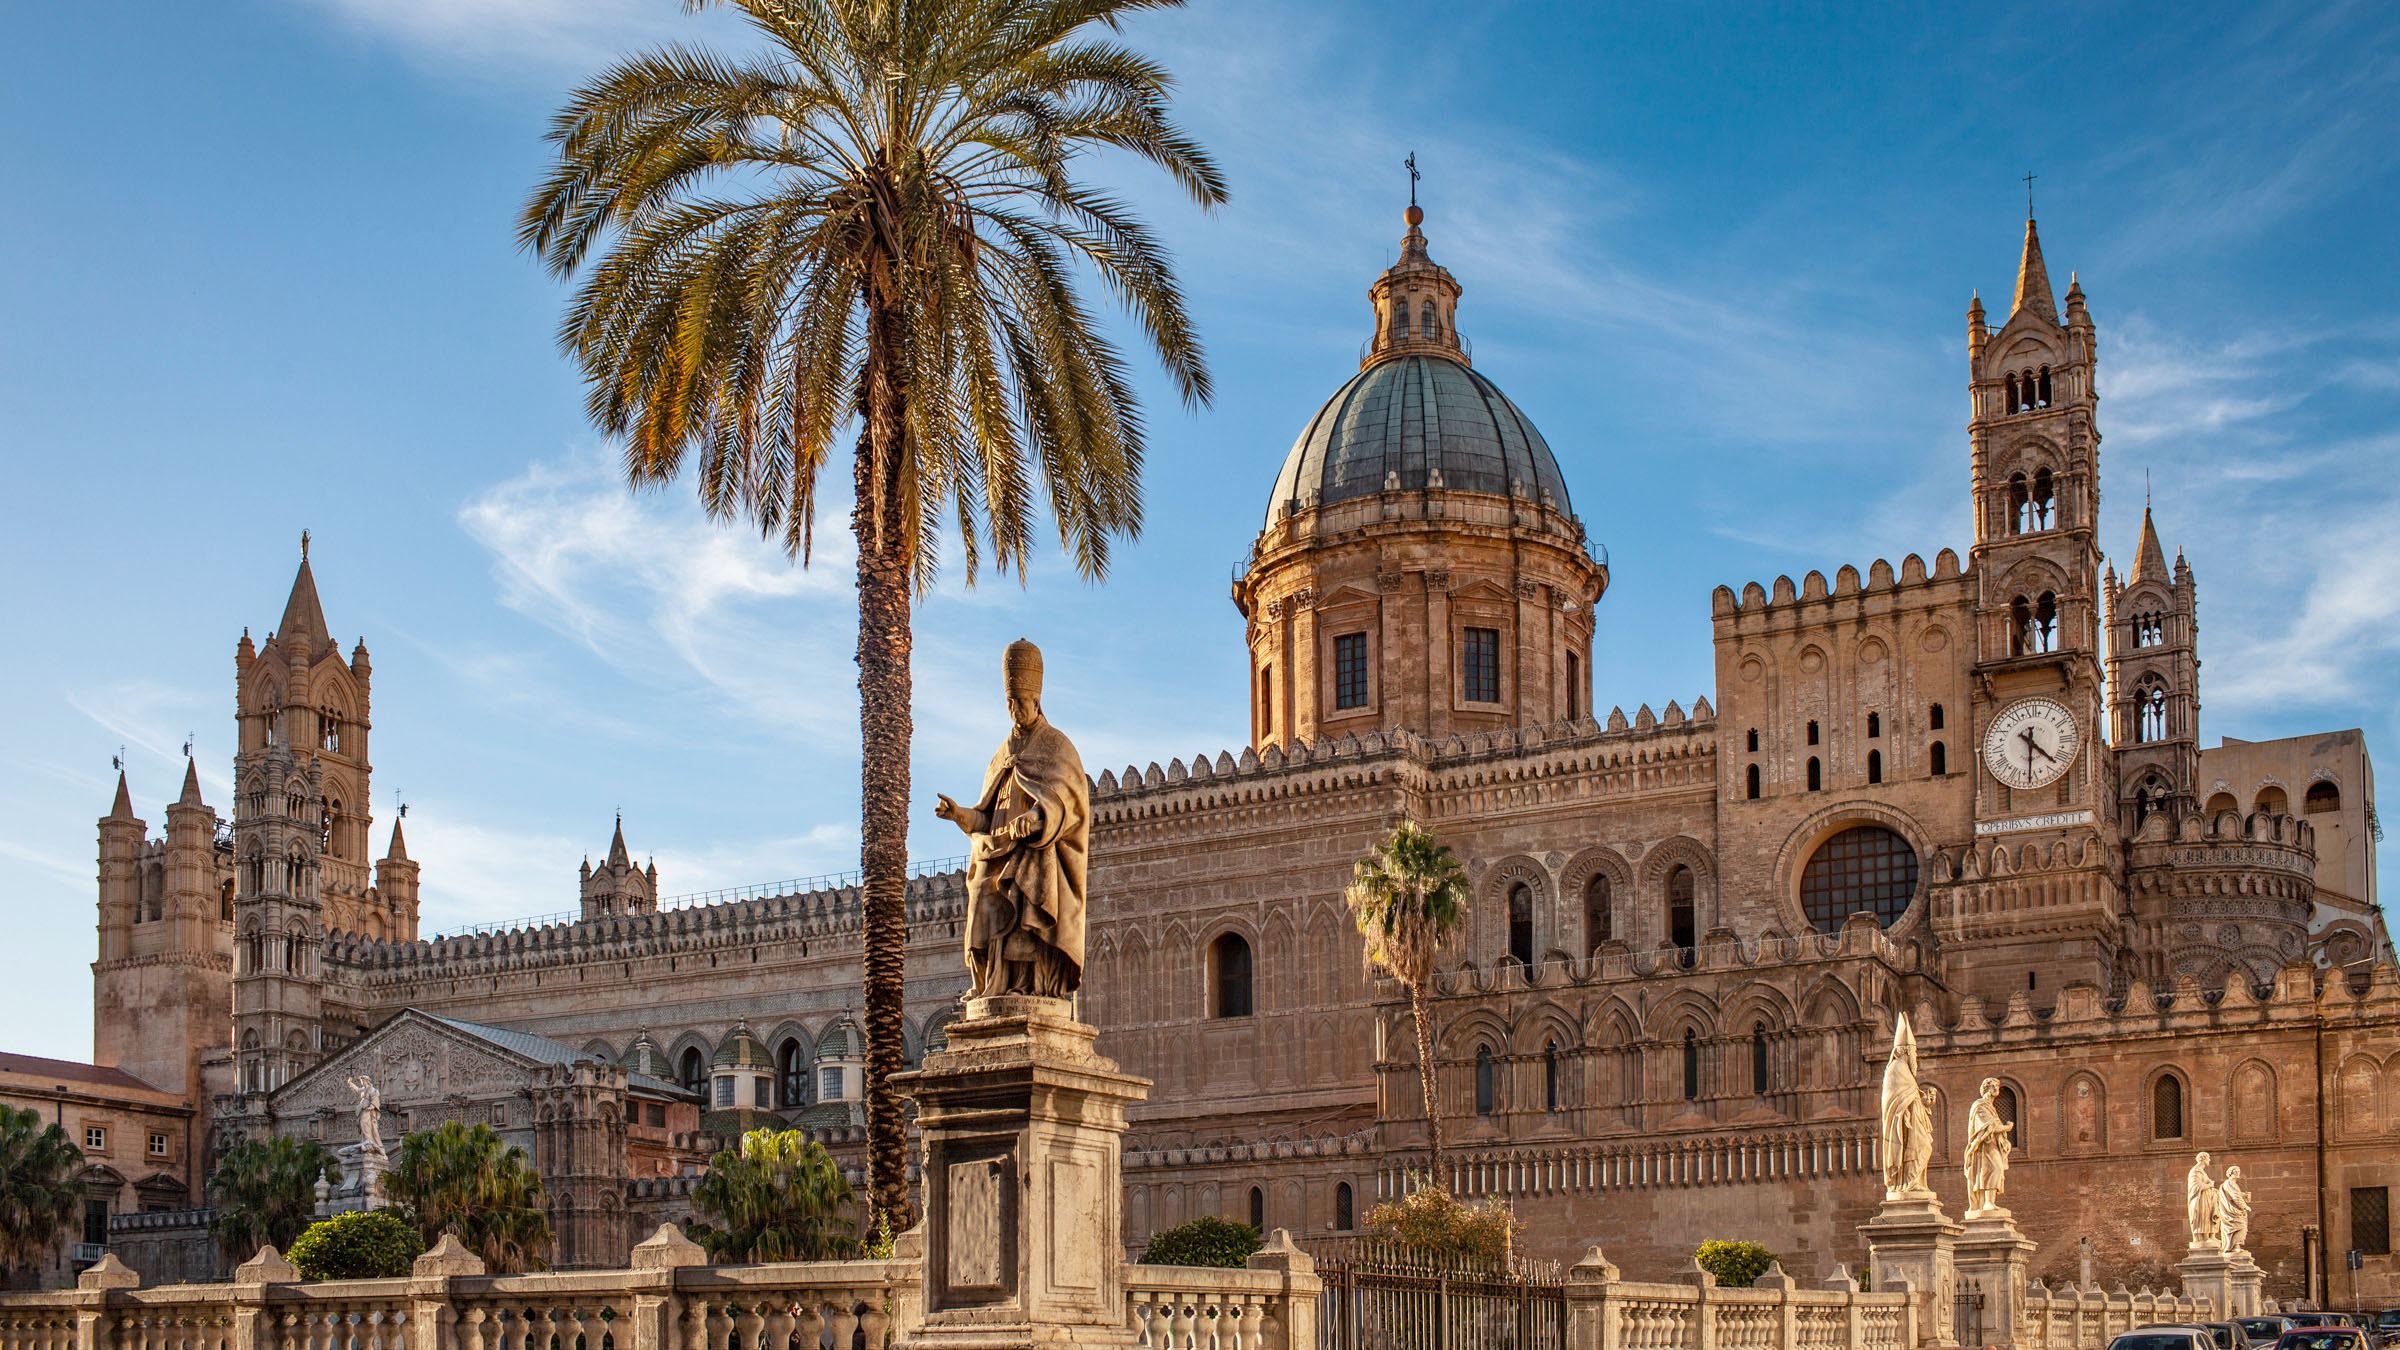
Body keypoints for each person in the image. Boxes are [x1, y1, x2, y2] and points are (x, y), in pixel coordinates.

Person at [936, 640, 1091, 1000]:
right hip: (997, 850)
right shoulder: (1002, 754)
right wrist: (958, 814)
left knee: (1028, 880)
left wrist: (1037, 817)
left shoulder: (1056, 746)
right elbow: (985, 817)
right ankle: (989, 983)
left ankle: (1027, 983)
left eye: (1021, 702)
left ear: (1037, 701)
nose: (1015, 709)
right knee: (982, 891)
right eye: (1010, 702)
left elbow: (1069, 799)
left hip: (1032, 849)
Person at [1965, 1077, 2014, 1215]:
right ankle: (1987, 1203)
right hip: (1984, 1147)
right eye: (1993, 1086)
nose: (1996, 1088)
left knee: (1995, 1170)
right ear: (1986, 1088)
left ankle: (1989, 1201)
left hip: (1993, 1145)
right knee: (1992, 1169)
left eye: (1997, 1086)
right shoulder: (1979, 1105)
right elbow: (1987, 1127)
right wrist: (2007, 1128)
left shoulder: (1991, 1107)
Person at [2187, 1152, 2222, 1249]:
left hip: (2207, 1198)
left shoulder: (2202, 1172)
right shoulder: (2195, 1171)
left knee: (2208, 1216)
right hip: (2200, 1199)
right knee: (2203, 1216)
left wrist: (2212, 1189)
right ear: (2203, 1158)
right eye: (2208, 1158)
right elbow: (2196, 1186)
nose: (2209, 1160)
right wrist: (2210, 1185)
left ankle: (2210, 1236)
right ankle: (2204, 1237)